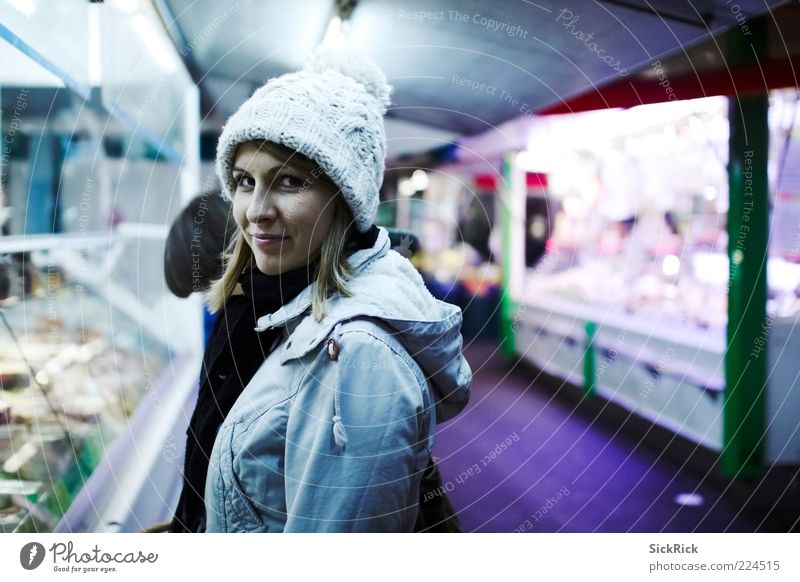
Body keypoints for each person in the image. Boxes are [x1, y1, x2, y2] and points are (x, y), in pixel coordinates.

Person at [170, 46, 472, 533]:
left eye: (289, 181)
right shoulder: (259, 305)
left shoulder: (359, 357)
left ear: (344, 198)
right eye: (245, 181)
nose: (255, 210)